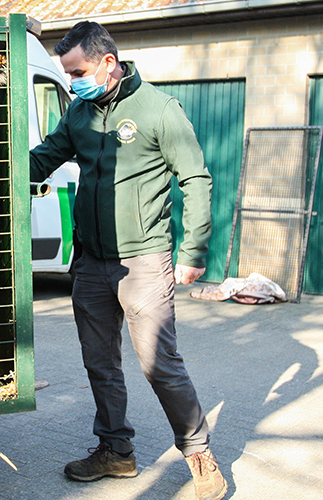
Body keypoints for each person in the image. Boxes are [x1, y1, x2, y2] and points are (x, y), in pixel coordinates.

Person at [29, 21, 227, 500]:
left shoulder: (159, 109)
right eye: (68, 73)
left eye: (77, 71)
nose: (73, 80)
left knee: (160, 363)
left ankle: (198, 452)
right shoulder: (79, 112)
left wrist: (193, 251)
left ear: (107, 64)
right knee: (99, 362)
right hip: (92, 262)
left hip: (144, 260)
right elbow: (44, 158)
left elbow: (195, 180)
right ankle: (116, 451)